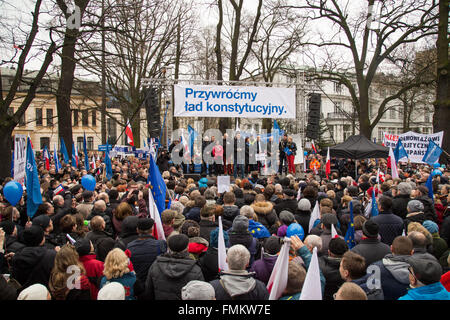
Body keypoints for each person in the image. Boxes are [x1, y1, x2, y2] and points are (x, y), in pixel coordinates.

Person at [144, 234, 204, 300]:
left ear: (169, 248)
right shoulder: (195, 270)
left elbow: (148, 291)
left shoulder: (155, 266)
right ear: (187, 248)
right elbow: (201, 295)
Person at [11, 225, 57, 290]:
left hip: (24, 293)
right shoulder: (50, 255)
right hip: (45, 292)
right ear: (41, 239)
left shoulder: (17, 256)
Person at [370, 236, 414, 300]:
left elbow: (372, 294)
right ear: (412, 252)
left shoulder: (376, 268)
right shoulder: (420, 269)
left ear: (391, 248)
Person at [126, 218, 167, 284]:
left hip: (138, 283)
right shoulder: (161, 244)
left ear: (137, 230)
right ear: (152, 229)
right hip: (156, 282)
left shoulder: (130, 246)